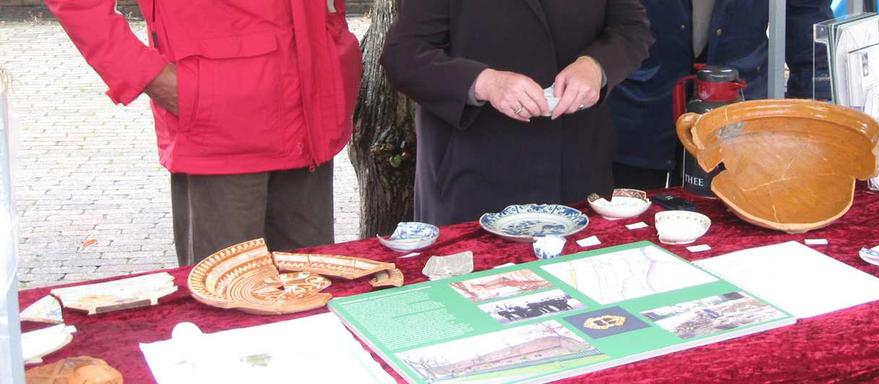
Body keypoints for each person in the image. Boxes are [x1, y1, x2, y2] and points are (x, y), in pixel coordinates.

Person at [44, 0, 362, 265]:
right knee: (226, 309)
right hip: (222, 121)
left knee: (311, 305)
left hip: (309, 110)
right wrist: (147, 75)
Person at [381, 0, 653, 226]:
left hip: (576, 169)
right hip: (472, 176)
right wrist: (484, 82)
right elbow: (403, 55)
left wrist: (596, 66)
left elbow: (632, 28)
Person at [609, 0, 833, 190]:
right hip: (636, 101)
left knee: (730, 225)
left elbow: (806, 13)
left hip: (737, 101)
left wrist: (813, 103)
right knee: (624, 223)